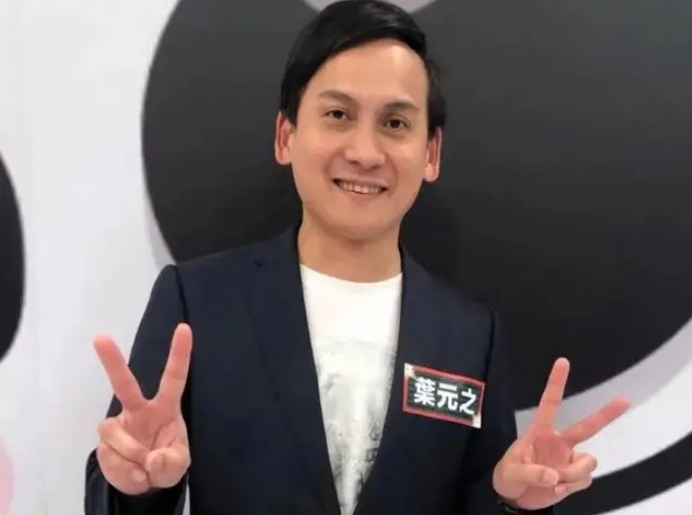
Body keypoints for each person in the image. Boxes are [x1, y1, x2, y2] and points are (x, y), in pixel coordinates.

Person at [84, 1, 630, 514]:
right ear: (286, 136)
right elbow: (123, 480)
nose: (365, 153)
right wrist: (138, 485)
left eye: (395, 123)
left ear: (431, 153)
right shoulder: (198, 302)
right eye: (338, 114)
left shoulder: (471, 336)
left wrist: (514, 502)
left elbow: (477, 498)